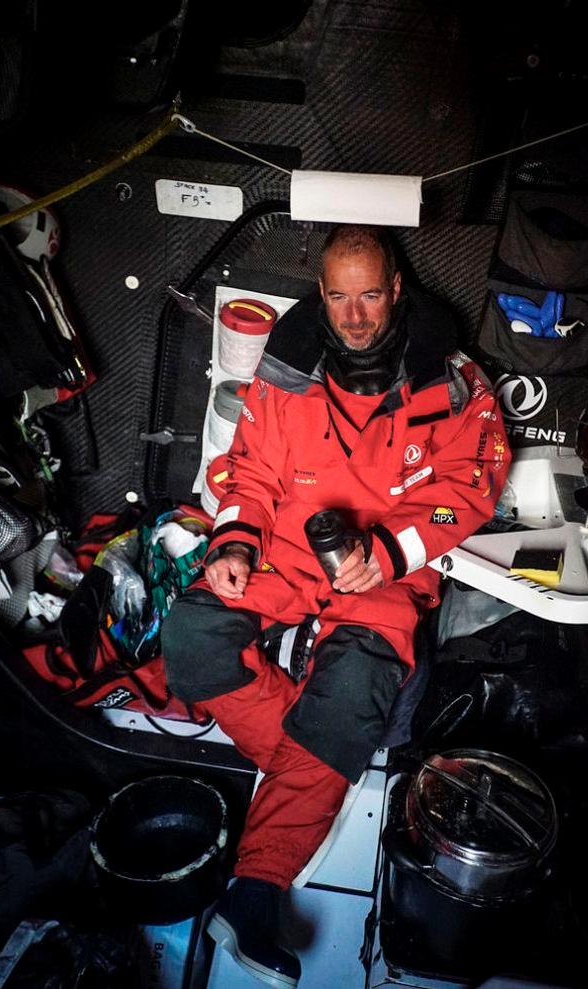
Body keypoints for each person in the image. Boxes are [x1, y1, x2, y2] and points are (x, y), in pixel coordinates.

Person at [162, 225, 510, 988]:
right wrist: (233, 544)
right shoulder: (285, 369)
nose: (355, 315)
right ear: (322, 294)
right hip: (287, 549)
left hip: (383, 567)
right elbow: (246, 470)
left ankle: (253, 894)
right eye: (340, 296)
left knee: (354, 684)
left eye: (371, 294)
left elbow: (469, 488)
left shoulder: (453, 380)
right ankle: (317, 758)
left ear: (396, 289)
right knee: (189, 633)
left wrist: (386, 554)